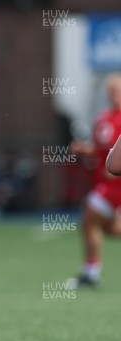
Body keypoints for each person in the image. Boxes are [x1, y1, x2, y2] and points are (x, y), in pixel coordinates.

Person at [68, 73, 121, 288]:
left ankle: (91, 273)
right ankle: (91, 272)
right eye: (112, 92)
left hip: (114, 184)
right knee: (105, 226)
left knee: (90, 216)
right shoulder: (103, 119)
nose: (115, 96)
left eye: (118, 92)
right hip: (106, 182)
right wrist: (84, 150)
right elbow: (100, 152)